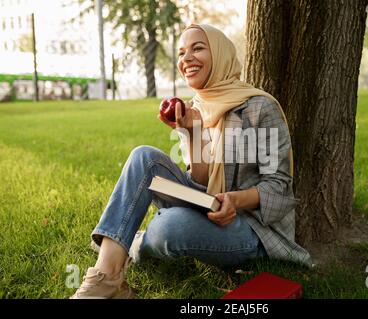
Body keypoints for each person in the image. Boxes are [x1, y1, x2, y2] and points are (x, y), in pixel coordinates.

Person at [71, 24, 312, 299]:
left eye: (198, 48)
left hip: (249, 228)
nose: (186, 59)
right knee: (144, 156)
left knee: (169, 226)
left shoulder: (259, 108)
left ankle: (126, 243)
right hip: (208, 206)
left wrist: (235, 200)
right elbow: (201, 182)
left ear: (220, 55)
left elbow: (279, 186)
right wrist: (194, 131)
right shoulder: (196, 107)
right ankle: (106, 278)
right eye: (182, 52)